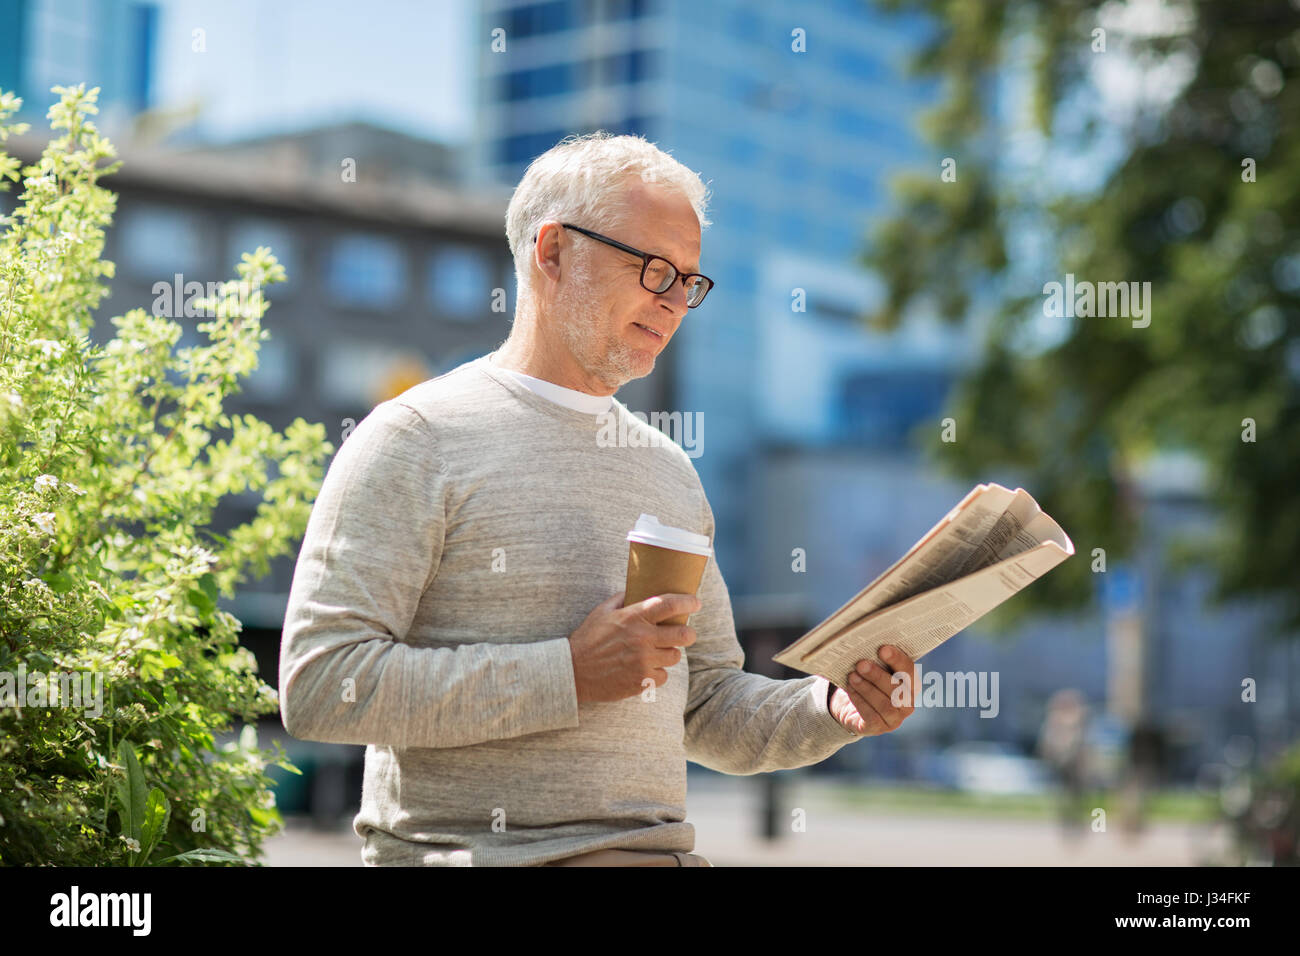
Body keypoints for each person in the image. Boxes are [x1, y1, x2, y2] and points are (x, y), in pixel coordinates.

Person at [278, 131, 917, 867]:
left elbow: (706, 705)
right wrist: (568, 674)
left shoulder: (669, 470)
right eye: (653, 270)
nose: (677, 303)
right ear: (552, 252)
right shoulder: (414, 437)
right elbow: (323, 684)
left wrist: (830, 708)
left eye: (690, 281)